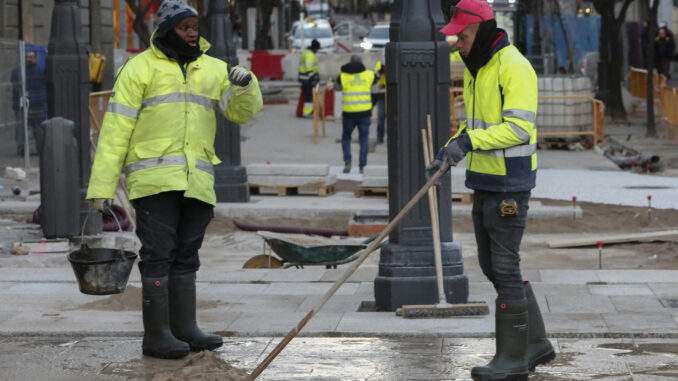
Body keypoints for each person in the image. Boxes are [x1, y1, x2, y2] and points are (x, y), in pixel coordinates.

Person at [86, 0, 262, 360]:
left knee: (187, 255)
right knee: (159, 254)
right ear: (167, 30)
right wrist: (102, 187)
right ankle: (157, 336)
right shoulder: (139, 69)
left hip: (196, 181)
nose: (193, 33)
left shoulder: (213, 69)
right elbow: (115, 131)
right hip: (153, 182)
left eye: (195, 27)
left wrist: (247, 86)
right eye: (185, 28)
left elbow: (241, 113)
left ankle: (185, 329)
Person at [427, 0, 553, 380]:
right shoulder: (477, 67)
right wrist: (452, 145)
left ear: (480, 31)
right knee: (491, 264)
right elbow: (478, 125)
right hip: (486, 179)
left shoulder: (513, 66)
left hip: (510, 182)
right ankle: (534, 343)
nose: (458, 44)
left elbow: (518, 129)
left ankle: (513, 358)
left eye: (462, 37)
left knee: (503, 264)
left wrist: (468, 143)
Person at [334, 55, 378, 174]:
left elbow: (336, 88)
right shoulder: (369, 75)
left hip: (349, 114)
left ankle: (347, 162)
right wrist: (371, 105)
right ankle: (362, 166)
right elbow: (375, 92)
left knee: (346, 138)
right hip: (364, 113)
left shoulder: (343, 76)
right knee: (363, 139)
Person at [12, 49, 47, 156]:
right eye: (27, 57)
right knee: (21, 128)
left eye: (31, 57)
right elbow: (15, 88)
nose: (29, 59)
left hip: (37, 104)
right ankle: (22, 150)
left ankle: (40, 149)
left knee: (38, 129)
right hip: (23, 105)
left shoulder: (41, 71)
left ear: (35, 58)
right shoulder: (18, 71)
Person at [299, 39, 320, 117]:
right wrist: (314, 78)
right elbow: (309, 69)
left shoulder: (306, 52)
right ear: (315, 48)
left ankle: (308, 111)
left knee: (308, 95)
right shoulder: (310, 55)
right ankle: (307, 112)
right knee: (309, 96)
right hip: (307, 79)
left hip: (304, 78)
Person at [372, 60, 386, 144]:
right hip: (380, 93)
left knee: (382, 116)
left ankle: (381, 137)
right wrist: (381, 70)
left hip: (387, 93)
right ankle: (380, 137)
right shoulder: (380, 64)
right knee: (381, 116)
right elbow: (376, 76)